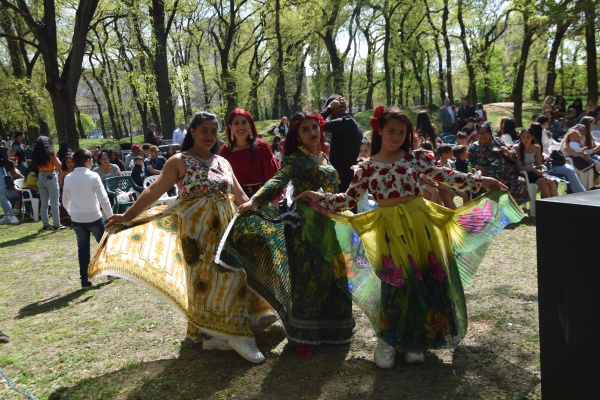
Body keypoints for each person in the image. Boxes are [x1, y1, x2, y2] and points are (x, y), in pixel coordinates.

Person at [294, 106, 522, 369]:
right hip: (389, 231)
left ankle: (416, 340)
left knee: (423, 278)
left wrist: (483, 182)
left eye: (402, 132)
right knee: (395, 282)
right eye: (391, 131)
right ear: (380, 130)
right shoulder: (366, 167)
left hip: (420, 226)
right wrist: (319, 197)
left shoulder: (416, 159)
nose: (396, 137)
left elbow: (448, 176)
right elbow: (348, 200)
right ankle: (388, 340)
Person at [88, 111, 267, 364]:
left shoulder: (222, 161)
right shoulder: (178, 161)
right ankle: (215, 334)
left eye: (213, 131)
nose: (209, 136)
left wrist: (258, 217)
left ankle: (230, 330)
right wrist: (128, 215)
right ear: (191, 132)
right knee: (204, 281)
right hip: (197, 234)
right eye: (203, 130)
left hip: (226, 230)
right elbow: (153, 190)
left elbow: (240, 195)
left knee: (234, 275)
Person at [218, 112, 357, 358]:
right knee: (308, 279)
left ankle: (335, 330)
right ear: (297, 136)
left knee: (334, 276)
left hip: (330, 225)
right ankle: (305, 336)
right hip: (303, 226)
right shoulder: (294, 159)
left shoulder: (325, 157)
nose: (312, 132)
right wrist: (254, 202)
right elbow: (277, 181)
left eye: (315, 127)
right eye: (305, 129)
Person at [63, 149, 114, 289]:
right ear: (87, 161)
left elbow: (65, 200)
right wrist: (110, 216)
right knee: (103, 245)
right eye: (91, 160)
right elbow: (103, 198)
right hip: (94, 216)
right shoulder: (93, 176)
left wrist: (72, 213)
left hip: (77, 218)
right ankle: (110, 272)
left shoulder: (68, 177)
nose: (92, 162)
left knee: (83, 249)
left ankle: (85, 280)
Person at [219, 108, 279, 198]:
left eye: (244, 122)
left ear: (250, 125)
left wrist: (274, 204)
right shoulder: (225, 152)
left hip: (261, 200)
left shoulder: (261, 147)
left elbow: (272, 179)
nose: (240, 127)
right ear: (230, 127)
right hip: (235, 201)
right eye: (236, 123)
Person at [469, 122, 529, 205]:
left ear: (490, 133)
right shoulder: (473, 147)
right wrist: (477, 167)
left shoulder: (498, 142)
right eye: (480, 133)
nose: (483, 135)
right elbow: (468, 163)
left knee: (520, 182)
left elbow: (513, 155)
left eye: (485, 132)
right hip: (488, 178)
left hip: (506, 175)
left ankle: (513, 207)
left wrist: (508, 152)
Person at [320, 94, 363, 192]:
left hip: (343, 180)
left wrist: (328, 109)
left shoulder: (345, 123)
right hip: (345, 178)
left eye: (331, 111)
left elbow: (315, 124)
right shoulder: (349, 123)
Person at [30, 136, 66, 230]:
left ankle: (45, 224)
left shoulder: (35, 153)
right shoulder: (50, 152)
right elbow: (59, 166)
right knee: (54, 202)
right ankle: (57, 224)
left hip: (40, 176)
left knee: (44, 203)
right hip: (50, 176)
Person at [515, 128, 558, 198]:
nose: (525, 139)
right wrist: (533, 170)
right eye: (523, 137)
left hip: (534, 172)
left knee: (550, 181)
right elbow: (518, 167)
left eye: (528, 137)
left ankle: (556, 202)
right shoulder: (517, 148)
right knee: (542, 181)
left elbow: (539, 164)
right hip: (524, 173)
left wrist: (542, 170)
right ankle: (550, 202)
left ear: (532, 137)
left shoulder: (536, 147)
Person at [0, 146, 19, 225]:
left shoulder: (1, 149)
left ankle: (12, 215)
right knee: (1, 197)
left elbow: (5, 161)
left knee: (2, 196)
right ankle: (7, 215)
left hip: (1, 172)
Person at [58, 152, 75, 226]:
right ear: (65, 163)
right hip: (66, 192)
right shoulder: (62, 173)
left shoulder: (77, 172)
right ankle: (67, 221)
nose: (70, 164)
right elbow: (60, 185)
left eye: (72, 162)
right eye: (68, 162)